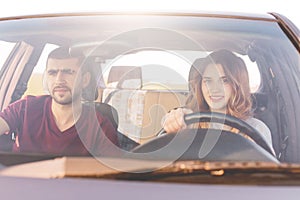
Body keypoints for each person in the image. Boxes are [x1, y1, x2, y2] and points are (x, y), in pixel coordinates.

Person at [0, 47, 120, 156]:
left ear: (85, 80)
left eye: (68, 72)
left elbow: (112, 174)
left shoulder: (100, 127)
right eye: (52, 73)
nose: (59, 80)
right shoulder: (25, 108)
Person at [162, 49, 275, 155]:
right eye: (208, 81)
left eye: (224, 80)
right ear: (200, 85)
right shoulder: (189, 124)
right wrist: (173, 121)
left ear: (237, 85)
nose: (215, 89)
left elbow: (270, 173)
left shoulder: (256, 130)